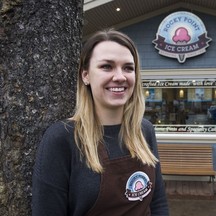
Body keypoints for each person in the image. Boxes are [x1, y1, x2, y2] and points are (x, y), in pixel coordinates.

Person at [32, 29, 169, 216]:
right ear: (85, 75)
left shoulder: (144, 130)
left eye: (128, 68)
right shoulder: (62, 138)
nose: (120, 76)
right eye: (107, 66)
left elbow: (158, 202)